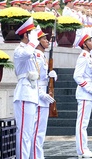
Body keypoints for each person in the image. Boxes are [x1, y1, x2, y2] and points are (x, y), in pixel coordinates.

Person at [13, 17, 40, 159]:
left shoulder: (30, 49)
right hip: (24, 94)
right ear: (25, 35)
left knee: (29, 133)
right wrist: (33, 41)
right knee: (23, 132)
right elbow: (27, 54)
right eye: (31, 32)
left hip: (32, 93)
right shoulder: (20, 50)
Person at [73, 33, 92, 158]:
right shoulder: (83, 56)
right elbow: (77, 76)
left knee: (85, 123)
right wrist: (89, 89)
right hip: (84, 93)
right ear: (84, 44)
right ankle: (82, 150)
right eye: (89, 41)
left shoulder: (89, 57)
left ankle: (84, 148)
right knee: (82, 124)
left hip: (88, 93)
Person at [34, 30, 57, 159]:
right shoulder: (36, 55)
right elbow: (33, 78)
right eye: (44, 39)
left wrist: (51, 76)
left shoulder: (42, 55)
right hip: (39, 94)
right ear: (38, 42)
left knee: (41, 130)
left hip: (44, 93)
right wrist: (41, 93)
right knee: (37, 130)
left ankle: (39, 154)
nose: (47, 41)